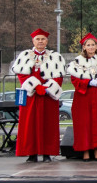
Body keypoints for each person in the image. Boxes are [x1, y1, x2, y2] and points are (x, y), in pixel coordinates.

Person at [11, 28, 66, 163]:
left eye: (43, 39)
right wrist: (36, 86)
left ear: (47, 41)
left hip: (48, 97)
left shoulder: (55, 56)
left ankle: (47, 153)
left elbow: (59, 76)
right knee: (29, 125)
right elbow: (22, 75)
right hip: (31, 96)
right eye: (38, 39)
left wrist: (47, 88)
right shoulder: (25, 55)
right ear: (33, 41)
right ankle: (31, 153)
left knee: (48, 125)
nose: (40, 41)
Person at [66, 33, 97, 161]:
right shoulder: (77, 63)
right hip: (83, 96)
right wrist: (87, 82)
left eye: (93, 45)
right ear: (84, 47)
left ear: (96, 46)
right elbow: (74, 80)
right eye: (88, 45)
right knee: (84, 124)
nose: (91, 47)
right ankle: (85, 151)